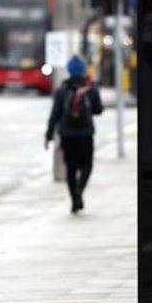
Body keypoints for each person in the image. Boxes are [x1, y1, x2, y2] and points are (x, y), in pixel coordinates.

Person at [45, 55, 104, 214]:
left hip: (67, 135)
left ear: (69, 70)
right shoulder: (90, 88)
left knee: (71, 168)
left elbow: (55, 114)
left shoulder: (62, 89)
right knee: (87, 165)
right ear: (84, 69)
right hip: (86, 134)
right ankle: (79, 190)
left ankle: (74, 199)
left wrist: (49, 135)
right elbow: (99, 110)